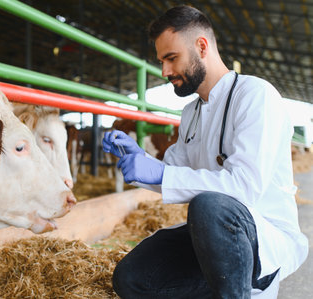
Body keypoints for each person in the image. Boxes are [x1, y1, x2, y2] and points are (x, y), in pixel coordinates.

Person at [102, 5, 308, 299]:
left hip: (262, 237)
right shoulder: (191, 113)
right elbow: (172, 171)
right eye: (161, 61)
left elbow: (245, 188)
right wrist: (139, 160)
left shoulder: (255, 96)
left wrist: (162, 172)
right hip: (211, 236)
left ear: (201, 47)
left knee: (209, 205)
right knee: (132, 278)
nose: (165, 71)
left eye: (171, 58)